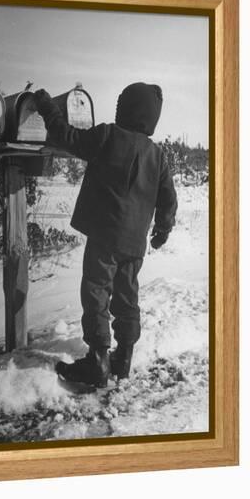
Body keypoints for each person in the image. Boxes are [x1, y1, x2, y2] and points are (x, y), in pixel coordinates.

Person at [33, 83, 178, 387]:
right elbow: (168, 199)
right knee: (127, 297)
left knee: (96, 293)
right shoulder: (158, 155)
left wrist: (46, 106)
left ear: (127, 108)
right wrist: (162, 230)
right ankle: (123, 359)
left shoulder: (107, 135)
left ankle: (98, 362)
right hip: (135, 242)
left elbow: (67, 137)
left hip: (105, 235)